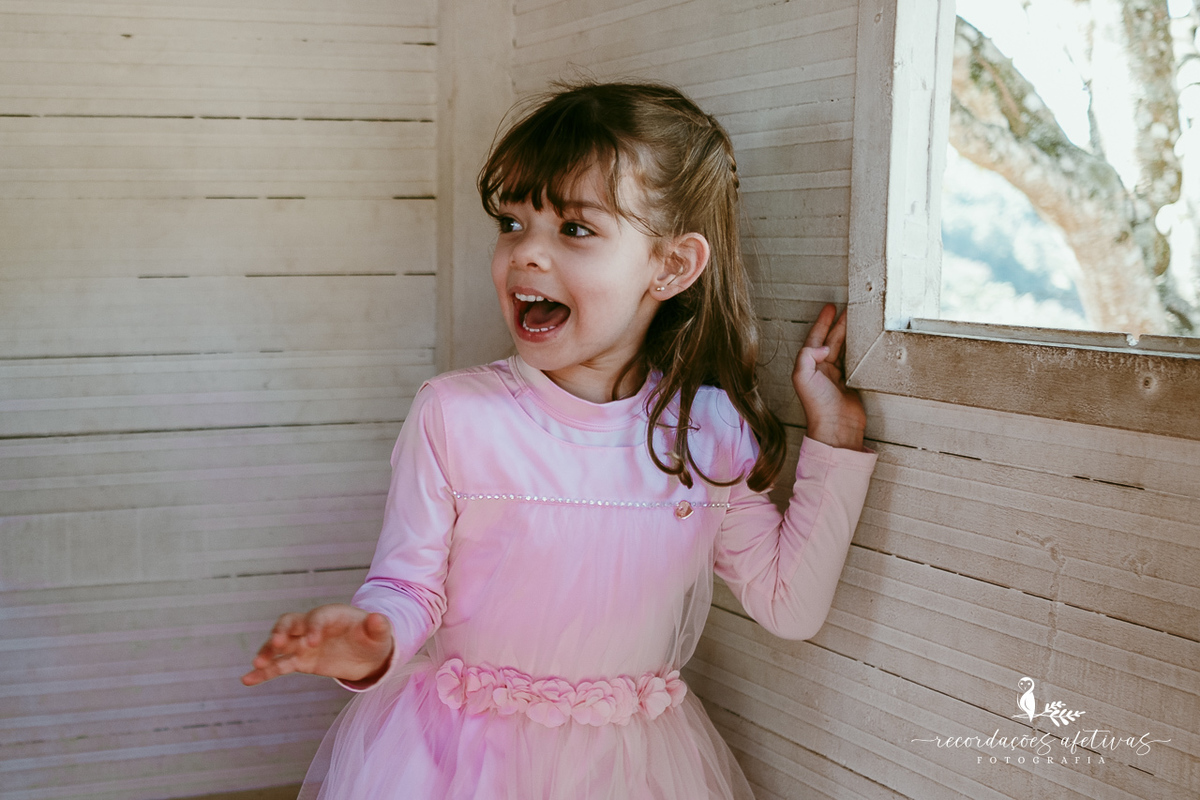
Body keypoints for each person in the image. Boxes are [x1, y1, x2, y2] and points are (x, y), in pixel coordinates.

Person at [241, 81, 877, 799]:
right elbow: (406, 585)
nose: (525, 256)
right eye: (512, 224)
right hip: (459, 761)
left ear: (670, 266)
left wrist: (837, 437)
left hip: (625, 772)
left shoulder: (709, 432)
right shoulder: (455, 414)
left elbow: (789, 604)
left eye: (574, 229)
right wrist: (370, 639)